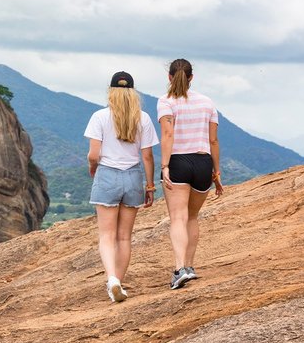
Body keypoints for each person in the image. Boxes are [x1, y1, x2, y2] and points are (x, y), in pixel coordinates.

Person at [85, 71, 159, 303]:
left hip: (107, 174)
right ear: (133, 93)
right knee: (124, 237)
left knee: (106, 236)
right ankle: (119, 282)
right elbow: (147, 156)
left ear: (111, 92)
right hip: (133, 177)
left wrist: (93, 168)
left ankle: (112, 280)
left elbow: (93, 154)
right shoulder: (143, 118)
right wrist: (149, 185)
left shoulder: (99, 116)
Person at [157, 59, 224, 290]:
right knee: (192, 217)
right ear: (192, 77)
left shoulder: (166, 102)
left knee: (178, 218)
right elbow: (213, 140)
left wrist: (164, 166)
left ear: (169, 77)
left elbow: (167, 135)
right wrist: (216, 172)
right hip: (203, 162)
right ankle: (190, 266)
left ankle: (179, 270)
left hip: (178, 161)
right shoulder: (207, 103)